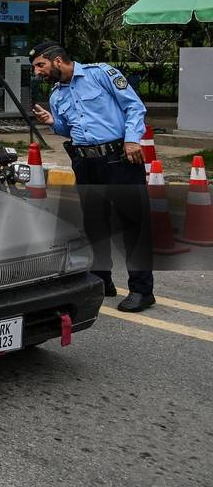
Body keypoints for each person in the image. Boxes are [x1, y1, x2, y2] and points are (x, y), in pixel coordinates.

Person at [29, 41, 154, 312]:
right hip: (85, 163)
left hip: (118, 159)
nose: (37, 72)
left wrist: (132, 139)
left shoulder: (101, 74)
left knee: (133, 224)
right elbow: (69, 128)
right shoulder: (56, 95)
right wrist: (53, 122)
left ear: (57, 60)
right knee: (95, 224)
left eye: (40, 65)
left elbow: (134, 107)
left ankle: (142, 290)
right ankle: (101, 281)